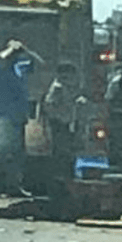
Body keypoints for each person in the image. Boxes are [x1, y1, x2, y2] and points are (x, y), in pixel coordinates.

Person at [0, 39, 34, 196]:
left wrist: (25, 49)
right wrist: (11, 49)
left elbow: (38, 63)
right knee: (4, 150)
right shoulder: (0, 72)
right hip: (4, 117)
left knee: (16, 153)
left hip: (16, 117)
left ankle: (12, 184)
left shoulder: (18, 72)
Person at [42, 61, 85, 195]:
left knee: (69, 154)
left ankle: (67, 182)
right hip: (61, 125)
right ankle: (62, 184)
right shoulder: (58, 87)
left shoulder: (69, 86)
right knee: (62, 155)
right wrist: (61, 115)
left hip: (69, 123)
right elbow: (49, 105)